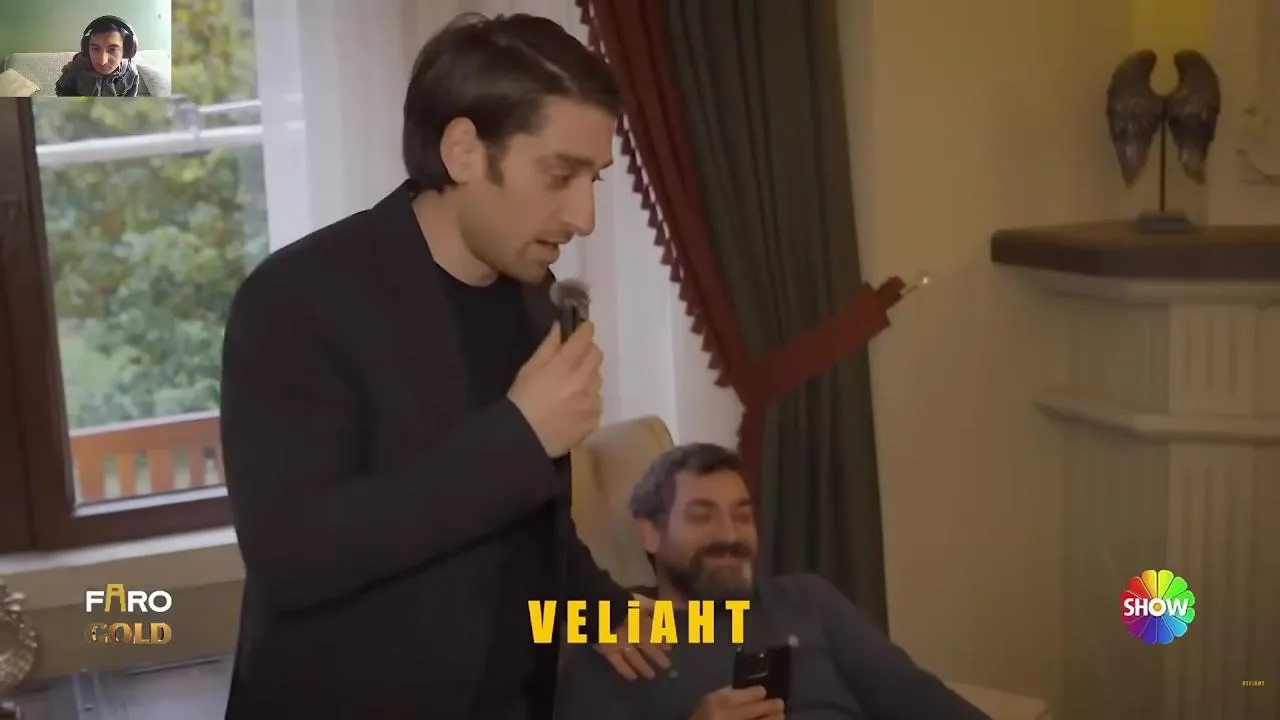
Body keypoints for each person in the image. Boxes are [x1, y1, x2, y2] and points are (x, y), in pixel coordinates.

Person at [218, 13, 668, 719]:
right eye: (560, 175)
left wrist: (597, 606)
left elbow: (528, 527)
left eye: (594, 179)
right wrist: (520, 435)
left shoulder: (536, 303)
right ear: (463, 151)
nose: (584, 216)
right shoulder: (294, 301)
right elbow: (294, 557)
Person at [555, 443, 991, 720]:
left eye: (742, 515)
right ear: (649, 532)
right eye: (703, 516)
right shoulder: (613, 631)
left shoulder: (806, 599)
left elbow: (911, 692)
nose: (730, 535)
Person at [54, 15, 142, 97]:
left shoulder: (131, 74)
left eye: (112, 49)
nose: (102, 61)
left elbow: (129, 104)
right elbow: (61, 92)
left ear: (126, 50)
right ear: (86, 48)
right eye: (95, 49)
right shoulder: (74, 69)